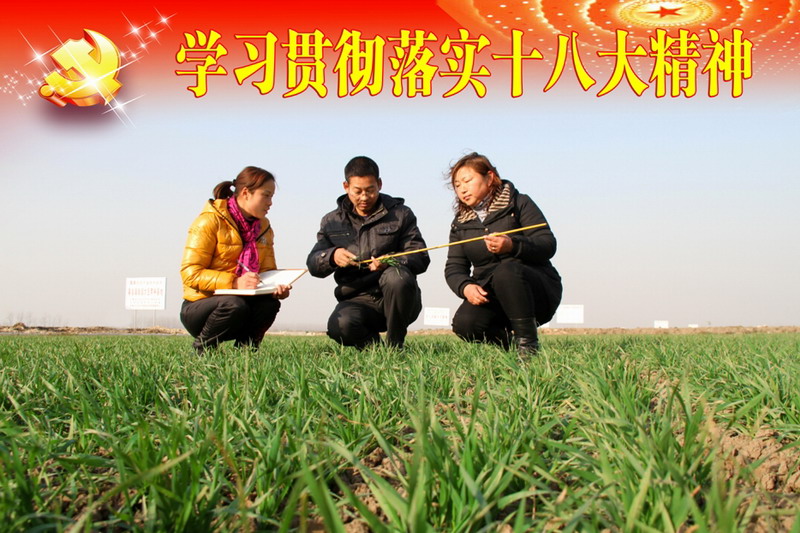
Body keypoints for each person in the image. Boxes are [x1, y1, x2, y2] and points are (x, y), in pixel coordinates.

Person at [444, 152, 562, 355]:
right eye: (457, 185)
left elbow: (547, 244)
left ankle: (528, 347)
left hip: (535, 289)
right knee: (465, 324)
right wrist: (465, 287)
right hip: (492, 295)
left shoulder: (519, 203)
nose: (462, 189)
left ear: (489, 177)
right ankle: (511, 345)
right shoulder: (460, 224)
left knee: (506, 271)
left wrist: (512, 245)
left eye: (467, 181)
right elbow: (454, 267)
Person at [307, 156, 430, 349]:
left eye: (370, 190)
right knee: (341, 326)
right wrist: (332, 256)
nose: (364, 197)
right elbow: (313, 264)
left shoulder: (401, 214)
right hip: (357, 300)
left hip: (398, 297)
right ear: (346, 186)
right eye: (357, 191)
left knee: (396, 277)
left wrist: (391, 261)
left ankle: (395, 346)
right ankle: (375, 349)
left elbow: (420, 255)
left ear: (379, 184)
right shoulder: (331, 221)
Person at [180, 166, 291, 354]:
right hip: (201, 306)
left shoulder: (263, 227)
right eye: (266, 195)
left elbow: (266, 272)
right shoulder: (209, 221)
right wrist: (234, 282)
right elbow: (190, 274)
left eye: (272, 197)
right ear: (246, 193)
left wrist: (276, 288)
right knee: (233, 304)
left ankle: (246, 354)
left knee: (269, 305)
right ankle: (202, 351)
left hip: (242, 304)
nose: (270, 203)